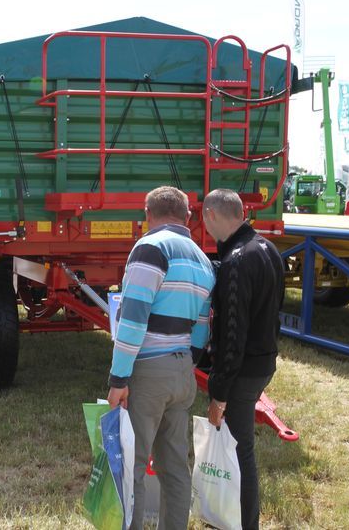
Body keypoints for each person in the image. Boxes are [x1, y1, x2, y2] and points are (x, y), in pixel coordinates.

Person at [107, 186, 215, 530]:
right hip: (182, 370)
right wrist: (185, 363)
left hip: (148, 372)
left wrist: (118, 378)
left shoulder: (150, 248)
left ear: (147, 215)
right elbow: (201, 329)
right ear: (187, 216)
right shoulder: (202, 259)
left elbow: (133, 319)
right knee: (175, 468)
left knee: (131, 467)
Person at [202, 189, 285, 530]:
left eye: (204, 223)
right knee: (242, 448)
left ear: (211, 216)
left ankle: (245, 523)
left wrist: (219, 390)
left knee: (240, 451)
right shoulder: (267, 247)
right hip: (263, 361)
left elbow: (233, 332)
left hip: (243, 368)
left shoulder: (237, 259)